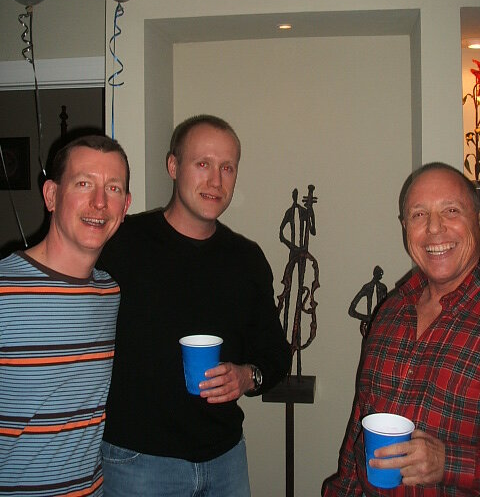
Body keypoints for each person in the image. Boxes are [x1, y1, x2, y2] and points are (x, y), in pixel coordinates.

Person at [98, 114, 292, 497]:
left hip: (226, 460)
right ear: (173, 166)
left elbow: (275, 354)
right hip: (138, 464)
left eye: (227, 168)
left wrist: (247, 376)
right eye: (203, 163)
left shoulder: (247, 259)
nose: (216, 181)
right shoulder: (121, 243)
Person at [323, 162, 480, 496]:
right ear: (405, 227)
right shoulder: (391, 311)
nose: (434, 228)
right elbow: (359, 427)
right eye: (419, 215)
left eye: (451, 210)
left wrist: (449, 463)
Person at [0, 135, 132, 497]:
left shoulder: (110, 293)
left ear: (125, 206)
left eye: (114, 188)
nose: (100, 202)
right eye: (84, 183)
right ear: (51, 196)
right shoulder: (4, 291)